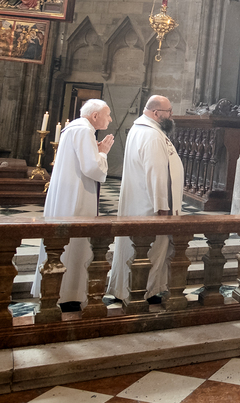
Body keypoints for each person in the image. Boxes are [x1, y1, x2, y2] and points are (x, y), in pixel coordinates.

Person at [31, 99, 114, 312]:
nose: (110, 119)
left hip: (67, 196)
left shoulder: (75, 128)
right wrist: (103, 152)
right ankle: (69, 295)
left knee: (64, 244)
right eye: (107, 114)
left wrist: (96, 152)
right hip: (77, 198)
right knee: (74, 244)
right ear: (95, 115)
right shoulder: (84, 130)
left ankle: (56, 290)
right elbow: (92, 168)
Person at [106, 95, 184, 305]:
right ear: (156, 113)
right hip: (150, 208)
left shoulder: (141, 129)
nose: (172, 115)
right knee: (151, 250)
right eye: (168, 111)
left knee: (137, 250)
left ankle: (126, 289)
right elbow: (156, 173)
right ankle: (145, 292)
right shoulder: (151, 135)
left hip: (140, 203)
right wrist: (162, 207)